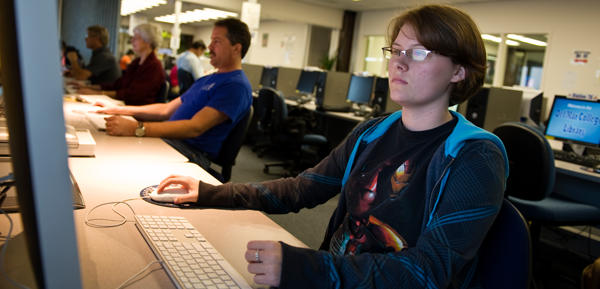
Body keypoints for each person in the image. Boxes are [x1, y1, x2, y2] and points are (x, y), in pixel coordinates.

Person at [155, 4, 510, 288]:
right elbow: (302, 189)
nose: (398, 62)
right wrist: (211, 193)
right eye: (397, 50)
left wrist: (307, 269)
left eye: (418, 53)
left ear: (459, 71)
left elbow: (429, 272)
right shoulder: (373, 131)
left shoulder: (475, 155)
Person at [93, 18, 253, 171]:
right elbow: (166, 109)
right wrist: (117, 109)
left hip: (189, 153)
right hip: (171, 143)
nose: (209, 47)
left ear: (236, 48)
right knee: (106, 145)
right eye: (211, 40)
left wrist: (137, 128)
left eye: (216, 41)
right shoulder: (206, 79)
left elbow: (195, 127)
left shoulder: (236, 85)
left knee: (113, 156)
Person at [75, 23, 166, 106]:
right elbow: (118, 85)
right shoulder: (137, 62)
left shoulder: (154, 66)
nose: (132, 40)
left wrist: (98, 93)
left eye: (136, 37)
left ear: (148, 42)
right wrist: (90, 87)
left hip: (135, 111)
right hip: (125, 104)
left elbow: (132, 95)